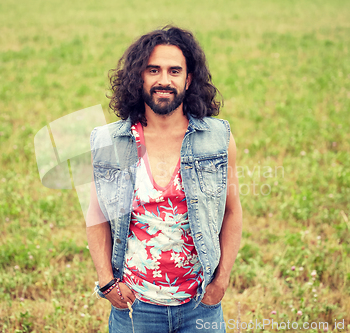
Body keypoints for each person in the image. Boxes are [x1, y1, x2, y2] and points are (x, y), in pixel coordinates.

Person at [86, 25, 242, 333]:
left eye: (174, 71)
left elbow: (232, 210)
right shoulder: (110, 142)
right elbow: (96, 213)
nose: (164, 80)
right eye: (153, 70)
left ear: (189, 78)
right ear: (139, 76)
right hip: (136, 307)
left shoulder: (217, 139)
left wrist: (221, 281)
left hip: (201, 305)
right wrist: (106, 281)